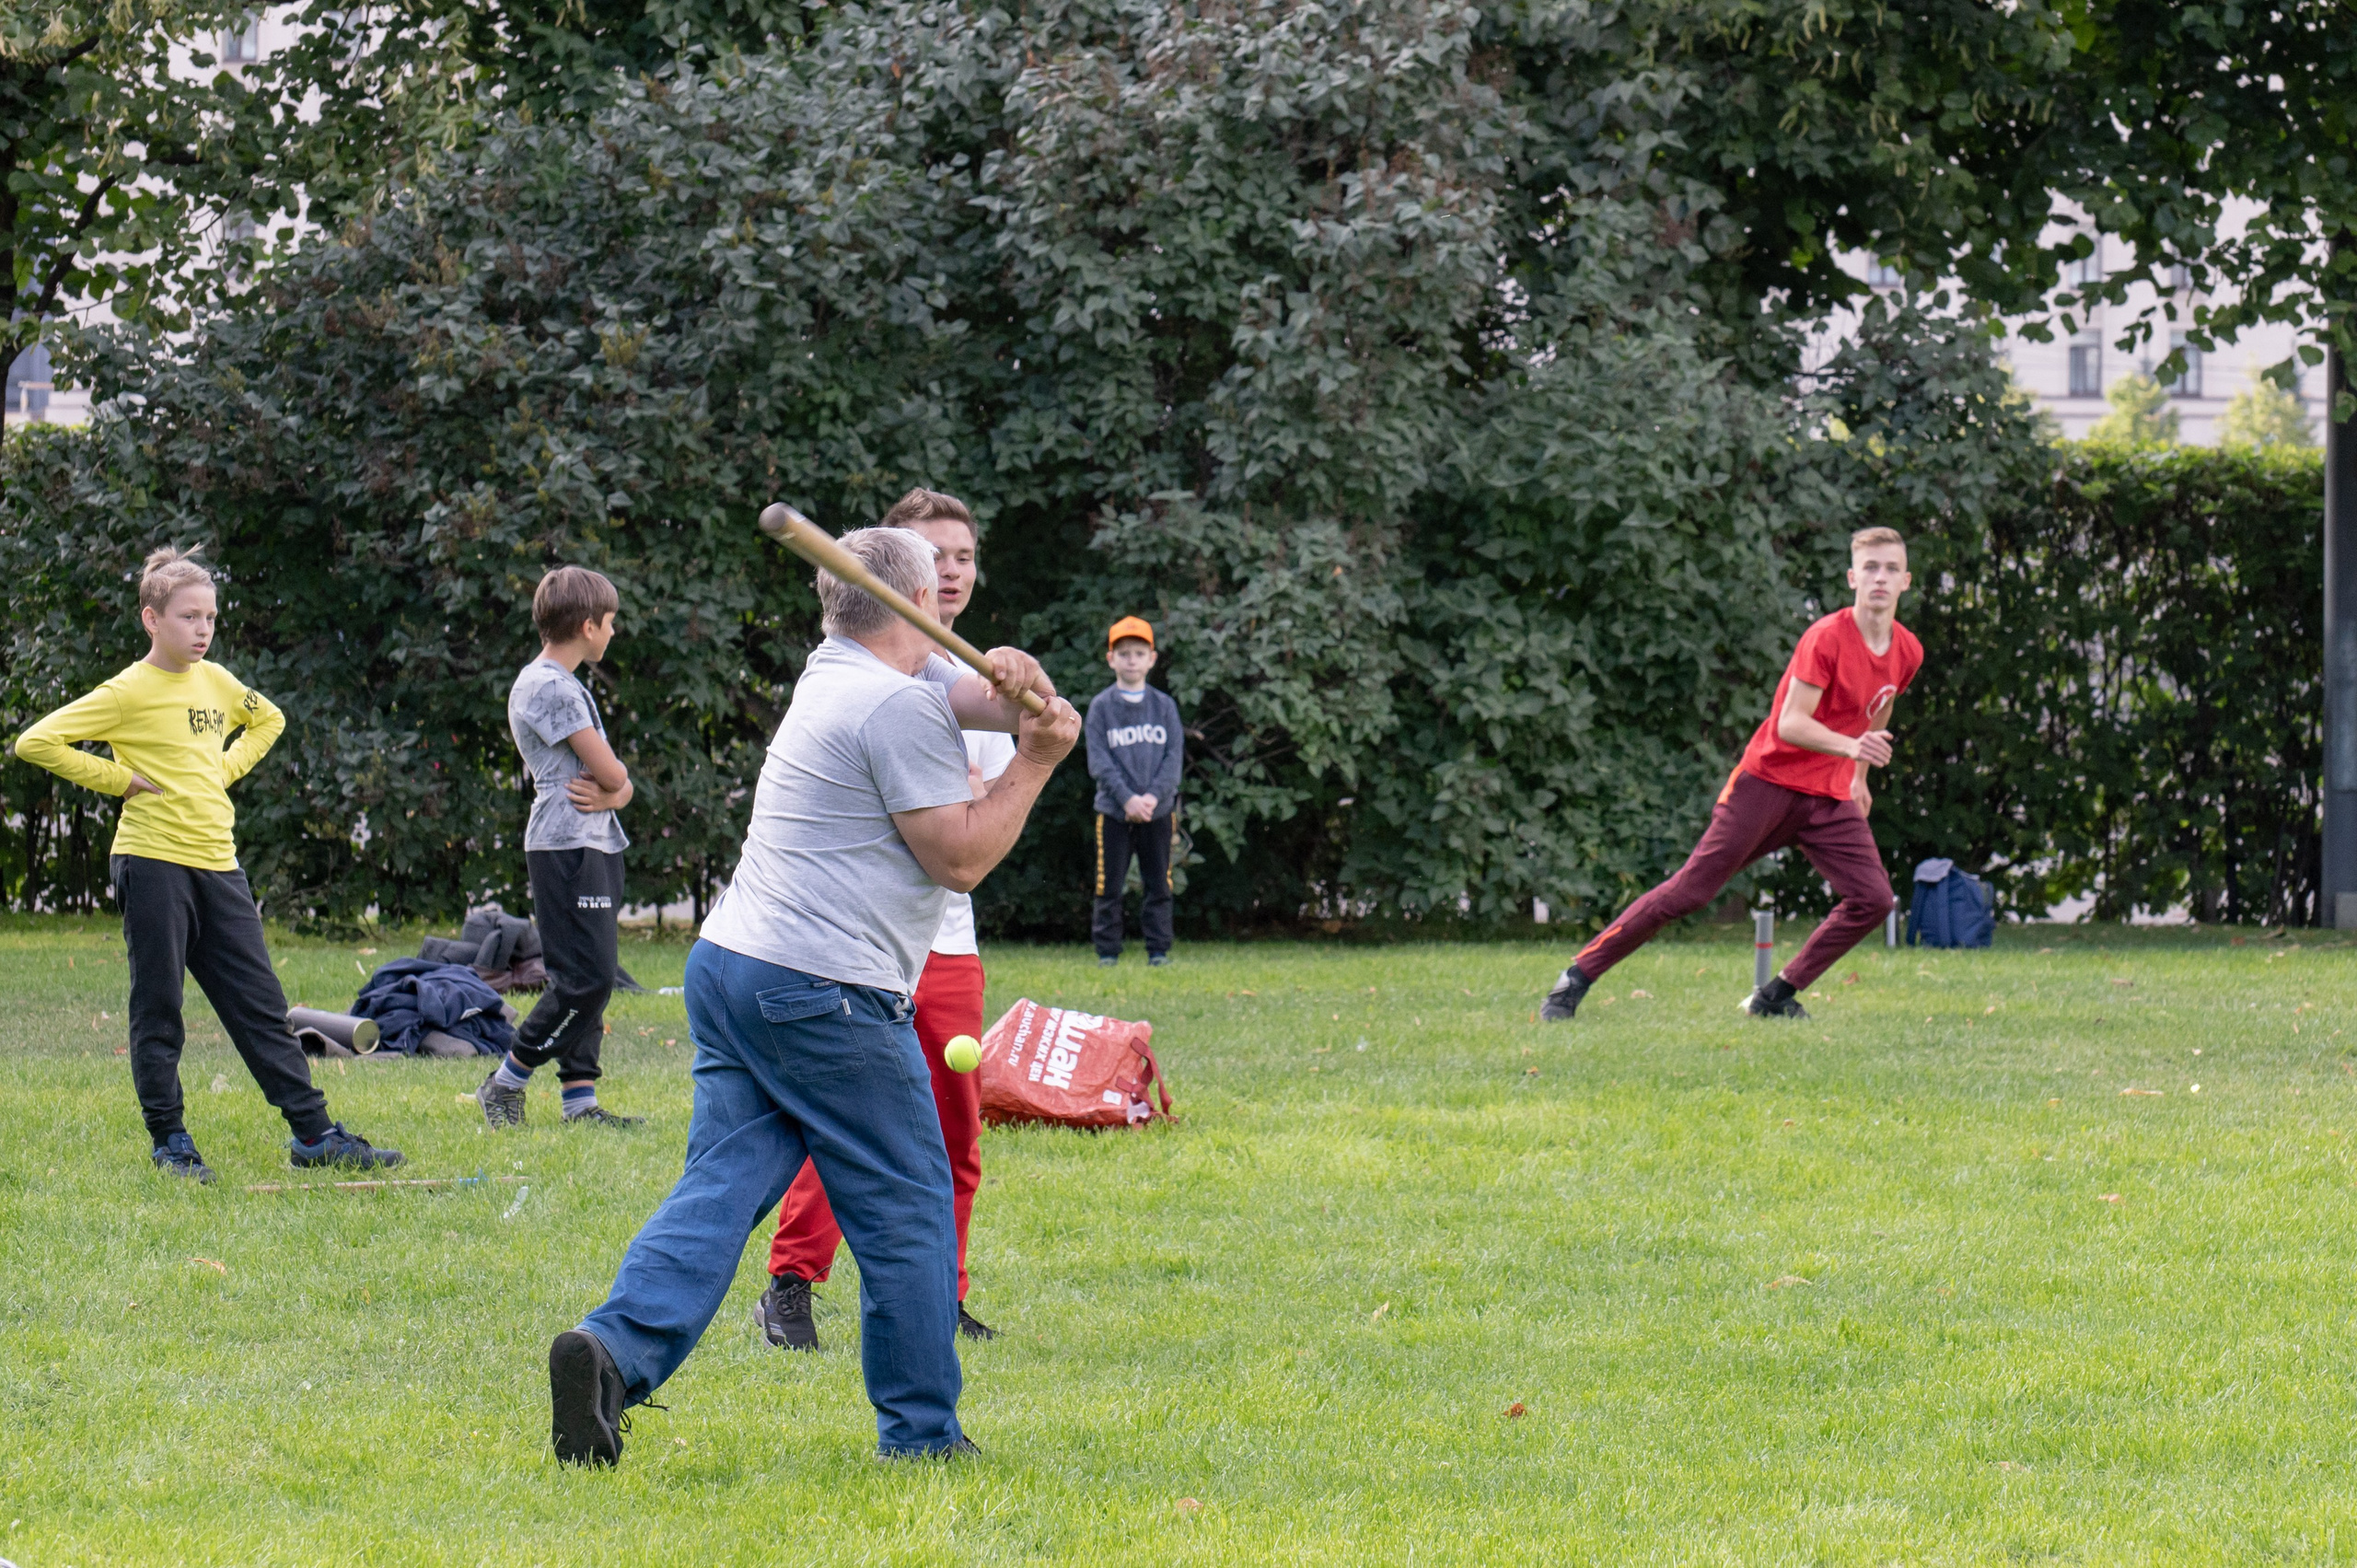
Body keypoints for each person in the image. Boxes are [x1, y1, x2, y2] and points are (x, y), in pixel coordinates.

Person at [549, 525, 1080, 1467]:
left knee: (725, 1179)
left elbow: (963, 696)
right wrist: (1036, 761)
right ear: (919, 603)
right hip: (823, 989)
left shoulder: (839, 675)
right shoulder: (891, 706)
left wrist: (1016, 689)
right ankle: (922, 1437)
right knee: (908, 1203)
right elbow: (958, 858)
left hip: (733, 967)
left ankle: (615, 1350)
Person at [12, 546, 404, 1180]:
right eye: (189, 617)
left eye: (211, 618)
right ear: (151, 619)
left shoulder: (219, 682)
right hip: (151, 863)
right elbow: (37, 741)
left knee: (260, 1003)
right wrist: (119, 780)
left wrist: (222, 768)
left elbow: (268, 718)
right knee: (159, 1005)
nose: (202, 630)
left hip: (218, 865)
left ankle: (314, 1136)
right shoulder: (126, 691)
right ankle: (171, 1140)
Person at [756, 490, 1010, 1352]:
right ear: (895, 571)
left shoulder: (972, 673)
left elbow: (988, 809)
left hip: (947, 940)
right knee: (850, 1126)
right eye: (933, 557)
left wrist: (1030, 693)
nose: (950, 572)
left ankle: (944, 1292)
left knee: (955, 1128)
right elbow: (954, 823)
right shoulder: (877, 669)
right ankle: (791, 1283)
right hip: (860, 944)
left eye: (964, 558)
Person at [1539, 527, 1921, 1022]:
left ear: (1905, 581)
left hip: (1827, 797)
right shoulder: (1825, 638)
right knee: (1690, 892)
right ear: (1852, 576)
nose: (1880, 578)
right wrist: (1851, 747)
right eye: (1870, 568)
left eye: (1891, 569)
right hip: (1766, 785)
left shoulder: (1907, 650)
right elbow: (1791, 723)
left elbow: (1879, 710)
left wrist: (1859, 776)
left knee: (1873, 899)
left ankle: (1774, 997)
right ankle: (1576, 978)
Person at [475, 566, 642, 1130]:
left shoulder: (567, 685)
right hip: (567, 846)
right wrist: (616, 786)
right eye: (611, 622)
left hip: (593, 840)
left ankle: (580, 1101)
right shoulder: (547, 687)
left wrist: (616, 790)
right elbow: (612, 772)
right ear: (588, 624)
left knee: (593, 974)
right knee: (586, 977)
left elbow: (621, 786)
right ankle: (505, 1081)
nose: (614, 633)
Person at [1085, 616, 1184, 967]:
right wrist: (1127, 799)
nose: (1131, 660)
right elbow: (1099, 762)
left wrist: (1153, 798)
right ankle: (1108, 952)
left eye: (1139, 653)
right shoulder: (1101, 707)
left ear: (1152, 659)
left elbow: (1173, 760)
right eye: (1124, 653)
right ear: (1111, 659)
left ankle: (1158, 950)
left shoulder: (1164, 707)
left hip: (1158, 812)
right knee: (1108, 885)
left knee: (1159, 883)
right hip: (1114, 812)